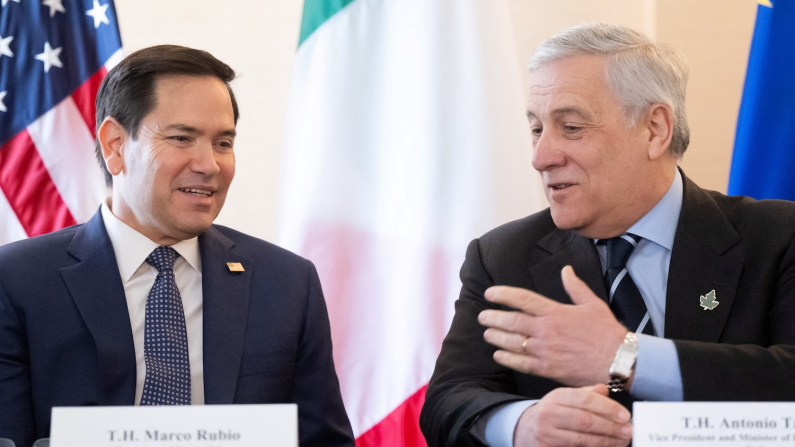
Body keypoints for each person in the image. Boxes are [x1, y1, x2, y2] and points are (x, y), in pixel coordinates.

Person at [420, 23, 795, 447]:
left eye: (572, 128)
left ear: (655, 129)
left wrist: (626, 358)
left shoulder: (778, 237)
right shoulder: (503, 256)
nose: (541, 157)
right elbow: (448, 401)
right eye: (537, 129)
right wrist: (522, 423)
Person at [0, 45, 354, 447]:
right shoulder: (17, 282)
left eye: (223, 143)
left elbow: (324, 440)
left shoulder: (288, 283)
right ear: (115, 145)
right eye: (182, 138)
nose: (209, 164)